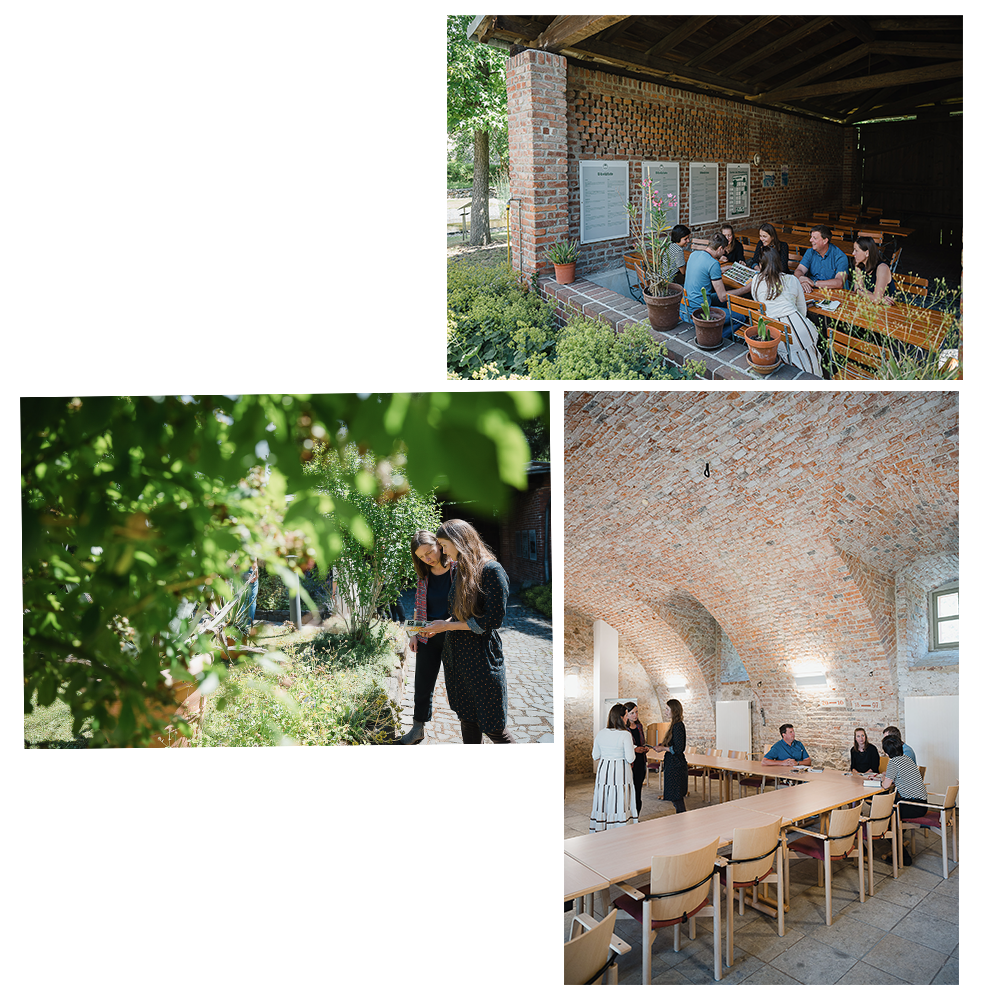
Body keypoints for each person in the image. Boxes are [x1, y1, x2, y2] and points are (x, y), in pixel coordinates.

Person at [417, 519, 517, 744]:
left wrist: (447, 626)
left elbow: (491, 620)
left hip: (481, 658)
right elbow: (461, 612)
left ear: (458, 540)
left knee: (494, 728)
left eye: (443, 544)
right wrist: (441, 625)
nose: (441, 550)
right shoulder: (462, 569)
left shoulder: (492, 570)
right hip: (457, 657)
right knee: (467, 720)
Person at [399, 530, 455, 745]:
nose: (428, 558)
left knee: (459, 684)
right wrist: (413, 635)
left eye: (430, 552)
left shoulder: (457, 570)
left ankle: (472, 727)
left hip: (453, 635)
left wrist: (446, 625)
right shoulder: (424, 574)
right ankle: (417, 728)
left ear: (439, 545)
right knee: (422, 684)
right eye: (422, 556)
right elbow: (418, 604)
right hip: (427, 637)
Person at [731, 246, 823, 376]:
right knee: (810, 362)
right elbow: (802, 309)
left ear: (762, 264)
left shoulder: (757, 280)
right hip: (799, 328)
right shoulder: (792, 279)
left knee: (789, 368)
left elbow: (760, 305)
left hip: (774, 332)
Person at [589, 704, 638, 832]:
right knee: (619, 800)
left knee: (604, 799)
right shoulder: (625, 734)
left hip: (604, 770)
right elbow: (630, 758)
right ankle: (619, 829)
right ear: (621, 717)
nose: (627, 719)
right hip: (620, 771)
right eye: (626, 716)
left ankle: (602, 827)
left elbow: (595, 755)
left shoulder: (601, 733)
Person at [881, 733, 928, 865]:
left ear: (887, 752)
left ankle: (903, 856)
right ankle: (899, 840)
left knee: (886, 817)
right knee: (891, 806)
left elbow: (886, 785)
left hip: (912, 805)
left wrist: (881, 781)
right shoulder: (907, 759)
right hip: (922, 804)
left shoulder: (893, 763)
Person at [681, 233, 736, 335]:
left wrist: (719, 270)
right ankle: (713, 337)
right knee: (740, 317)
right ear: (720, 248)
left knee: (723, 302)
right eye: (724, 250)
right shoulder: (713, 263)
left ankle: (715, 325)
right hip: (699, 312)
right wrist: (746, 289)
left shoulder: (694, 254)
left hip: (684, 308)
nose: (724, 253)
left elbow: (703, 270)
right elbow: (723, 297)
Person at [794, 225, 850, 294]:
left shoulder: (840, 256)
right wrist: (802, 280)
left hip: (834, 293)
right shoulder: (810, 252)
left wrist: (813, 283)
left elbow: (839, 282)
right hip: (813, 291)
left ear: (825, 241)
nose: (810, 240)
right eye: (811, 237)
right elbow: (799, 270)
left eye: (814, 238)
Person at [660, 698, 688, 813]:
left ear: (674, 710)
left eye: (667, 709)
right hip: (673, 764)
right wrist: (664, 745)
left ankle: (681, 818)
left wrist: (663, 748)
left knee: (677, 797)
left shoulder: (678, 726)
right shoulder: (674, 725)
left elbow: (678, 748)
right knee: (675, 798)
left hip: (676, 765)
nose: (666, 711)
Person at [623, 701, 651, 814]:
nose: (635, 715)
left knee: (637, 790)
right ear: (626, 714)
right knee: (627, 791)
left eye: (636, 712)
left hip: (640, 762)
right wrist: (635, 749)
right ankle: (626, 814)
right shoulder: (623, 730)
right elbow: (624, 746)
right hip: (630, 763)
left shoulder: (639, 726)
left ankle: (636, 816)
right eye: (632, 713)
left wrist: (644, 748)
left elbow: (641, 742)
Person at [849, 236, 895, 303]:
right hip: (870, 305)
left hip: (891, 309)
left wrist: (861, 291)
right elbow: (857, 290)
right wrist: (875, 297)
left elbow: (876, 300)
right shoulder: (859, 265)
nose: (853, 253)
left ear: (867, 253)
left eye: (856, 250)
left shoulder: (882, 268)